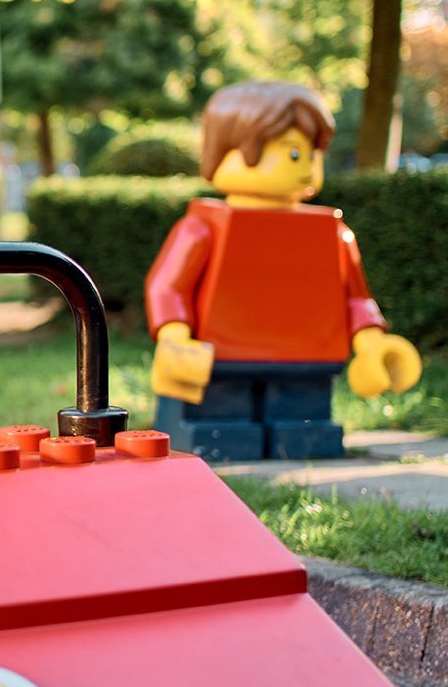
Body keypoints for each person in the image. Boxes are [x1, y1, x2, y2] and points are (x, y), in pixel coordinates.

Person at [143, 80, 420, 461]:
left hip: (306, 359)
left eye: (312, 153)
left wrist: (371, 343)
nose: (306, 165)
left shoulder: (334, 234)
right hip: (218, 360)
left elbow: (355, 295)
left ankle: (301, 438)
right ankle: (221, 436)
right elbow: (167, 286)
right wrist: (174, 333)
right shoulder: (203, 226)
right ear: (230, 151)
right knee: (221, 421)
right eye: (292, 152)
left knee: (301, 419)